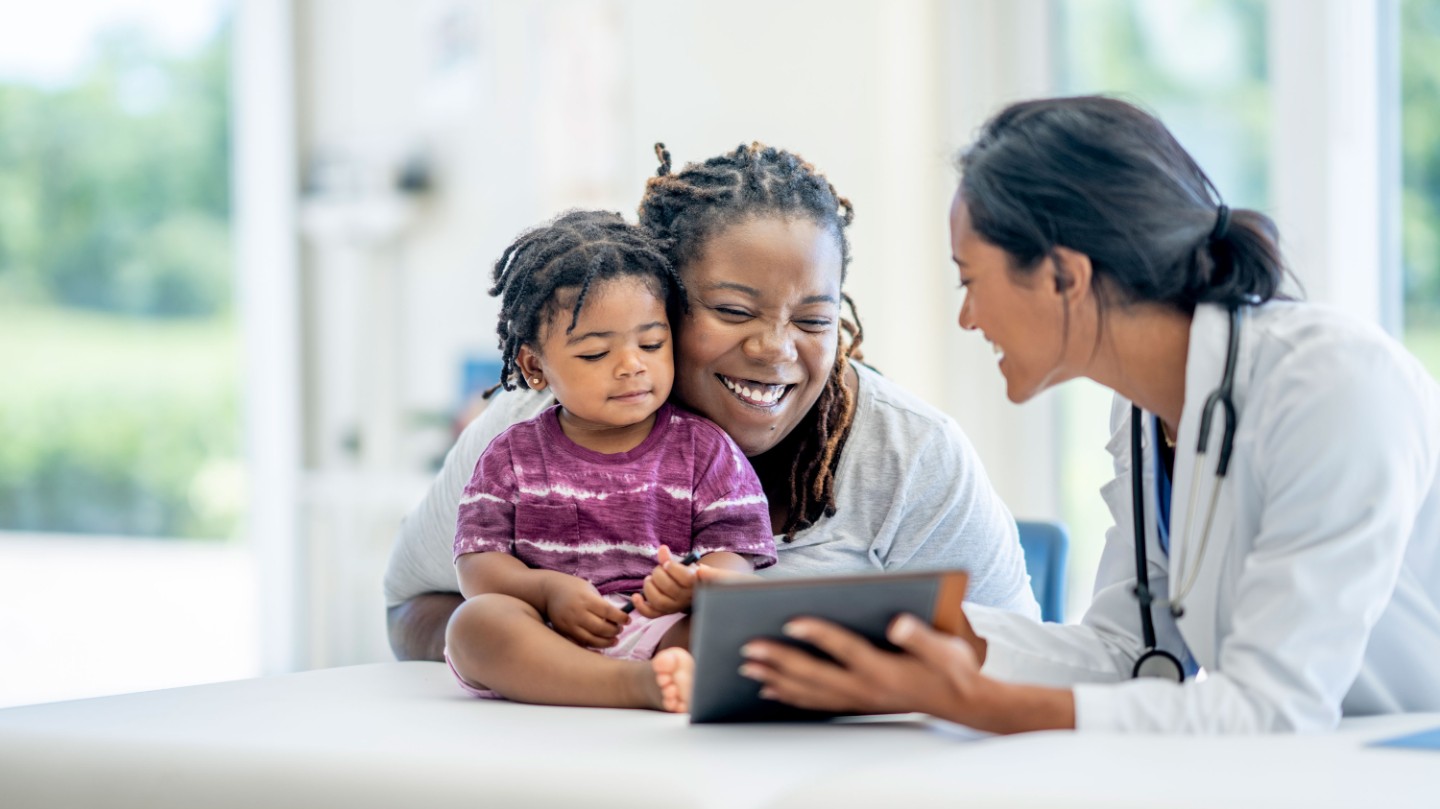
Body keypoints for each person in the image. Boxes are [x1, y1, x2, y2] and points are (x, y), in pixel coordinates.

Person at [732, 96, 1440, 733]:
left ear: (1065, 276)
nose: (968, 316)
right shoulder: (1141, 411)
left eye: (971, 279)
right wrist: (897, 628)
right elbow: (1129, 652)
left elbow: (1273, 708)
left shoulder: (1334, 384)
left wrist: (980, 703)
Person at [385, 142, 1040, 664]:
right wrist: (566, 646)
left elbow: (1013, 655)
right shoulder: (537, 426)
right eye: (732, 310)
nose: (776, 349)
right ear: (658, 299)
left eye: (814, 320)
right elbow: (410, 608)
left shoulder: (913, 453)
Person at [444, 210, 775, 711]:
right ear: (535, 366)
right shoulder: (512, 457)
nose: (631, 365)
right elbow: (477, 565)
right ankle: (628, 687)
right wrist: (546, 590)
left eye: (651, 343)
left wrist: (695, 585)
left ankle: (662, 676)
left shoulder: (707, 451)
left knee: (745, 627)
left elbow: (736, 559)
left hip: (664, 631)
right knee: (473, 624)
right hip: (547, 635)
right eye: (597, 354)